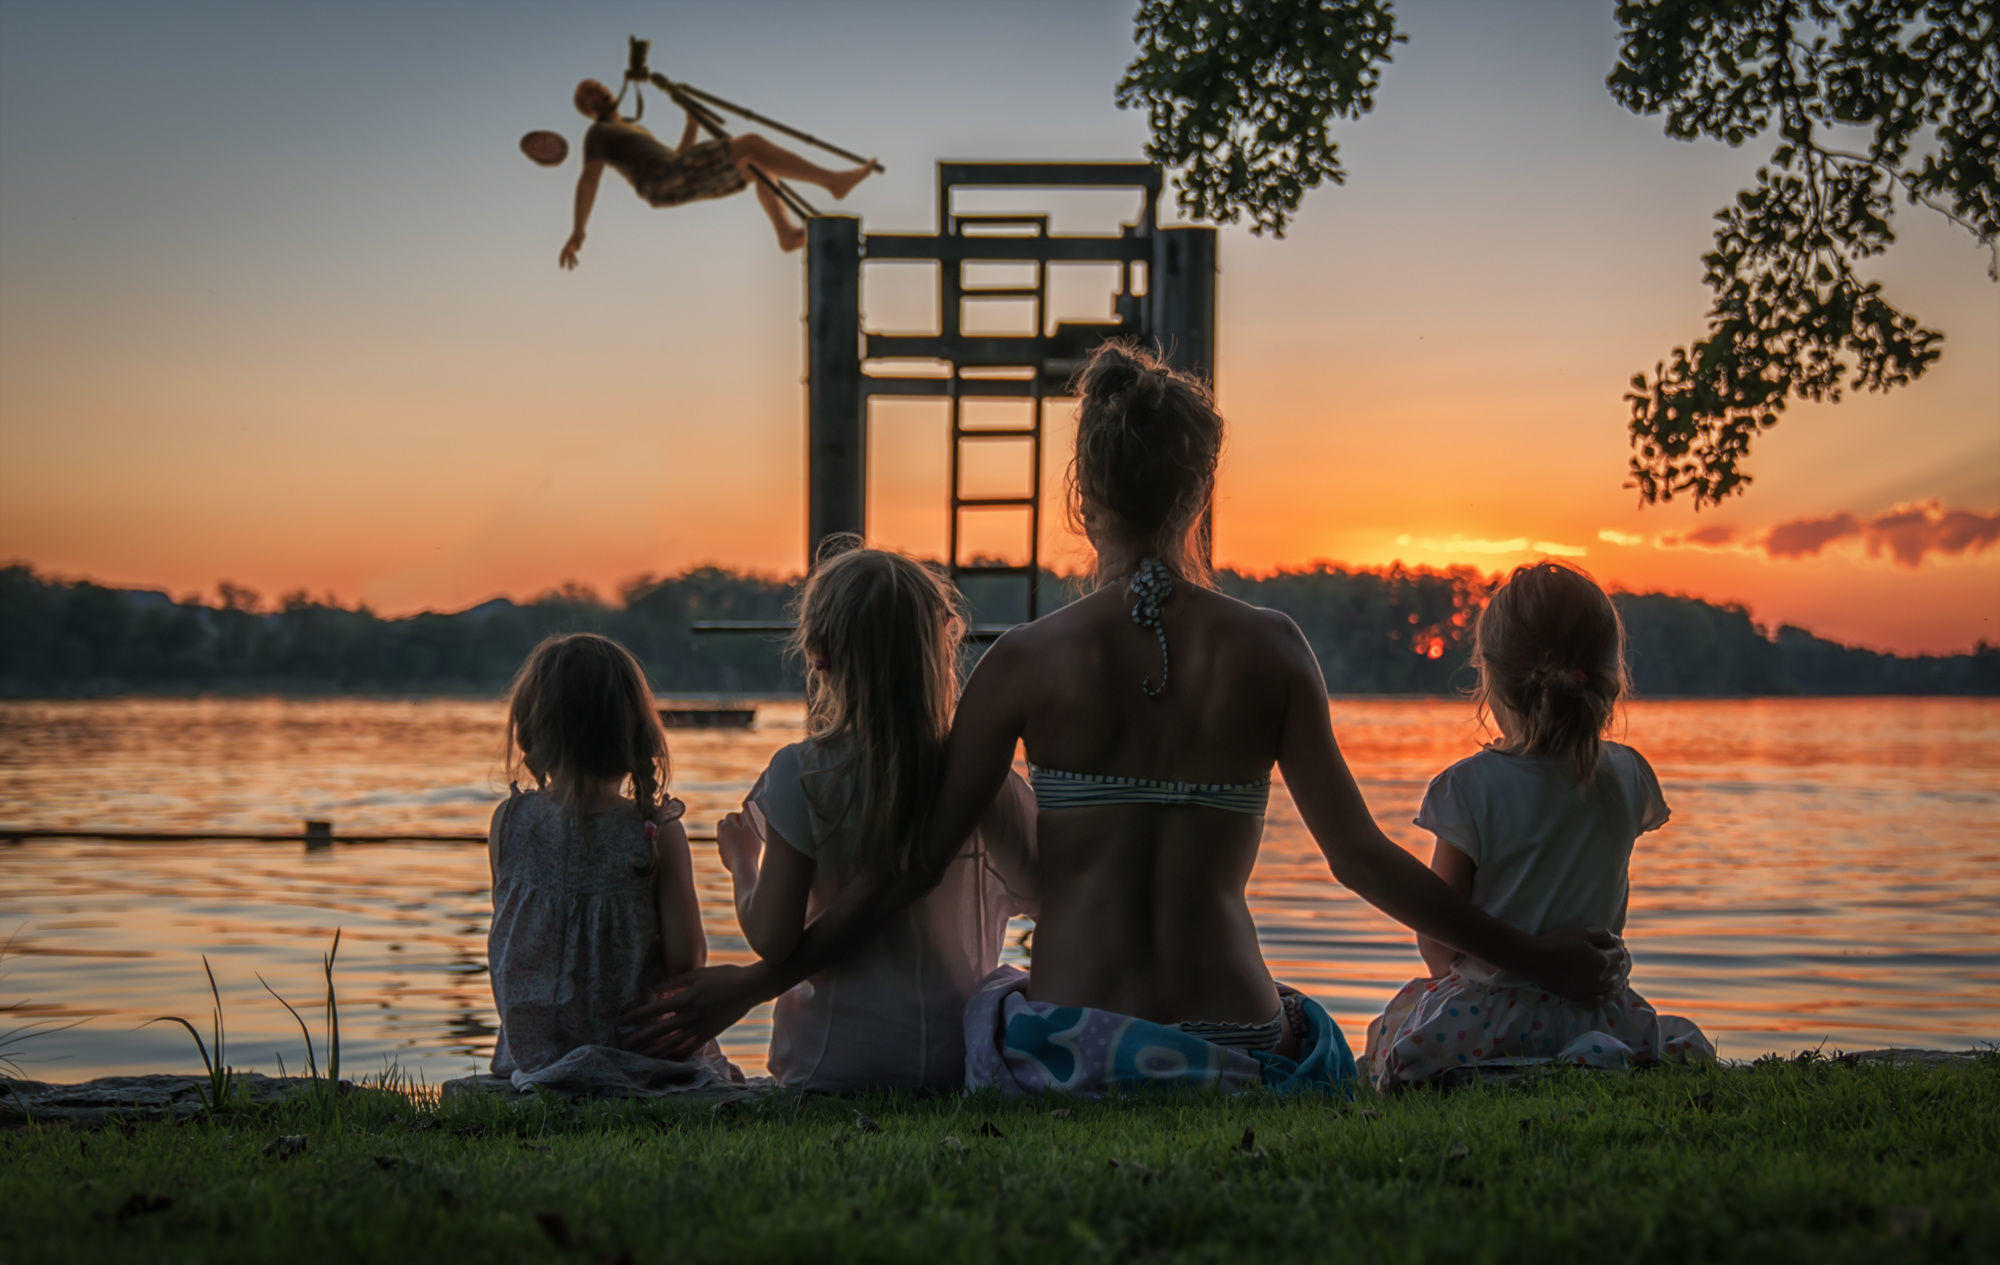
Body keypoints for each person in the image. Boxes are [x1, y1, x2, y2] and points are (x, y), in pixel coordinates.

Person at [626, 342, 1626, 1094]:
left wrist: (750, 985)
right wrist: (1537, 959)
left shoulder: (1021, 661)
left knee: (995, 998)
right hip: (1235, 1039)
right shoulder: (1273, 646)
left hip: (1072, 1044)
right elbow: (1360, 858)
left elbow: (910, 871)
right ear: (1199, 492)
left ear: (1079, 493)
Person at [1364, 563, 1716, 1087]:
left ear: (1493, 679)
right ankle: (1576, 1059)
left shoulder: (1467, 789)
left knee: (1390, 1031)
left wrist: (1464, 993)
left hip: (1487, 1018)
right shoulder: (1629, 776)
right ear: (1608, 679)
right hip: (1597, 1007)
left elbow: (1436, 940)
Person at [717, 545, 1038, 1091]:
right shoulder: (984, 784)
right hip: (957, 1059)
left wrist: (743, 864)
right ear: (940, 648)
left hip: (830, 1063)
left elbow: (774, 938)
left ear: (818, 655)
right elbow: (1044, 893)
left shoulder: (802, 775)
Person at [487, 633, 740, 1096]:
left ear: (529, 734)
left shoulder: (509, 823)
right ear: (637, 737)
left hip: (534, 1056)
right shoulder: (657, 832)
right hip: (638, 1052)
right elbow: (688, 960)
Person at [558, 78, 876, 260]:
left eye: (599, 88)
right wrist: (579, 229)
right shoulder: (598, 134)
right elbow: (588, 181)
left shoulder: (632, 128)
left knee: (757, 164)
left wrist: (692, 124)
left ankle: (786, 234)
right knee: (751, 143)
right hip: (661, 180)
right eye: (592, 96)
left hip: (670, 176)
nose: (601, 93)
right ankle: (833, 182)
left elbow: (679, 156)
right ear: (589, 110)